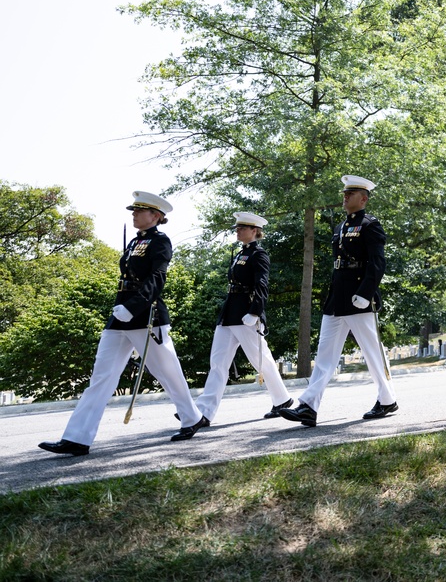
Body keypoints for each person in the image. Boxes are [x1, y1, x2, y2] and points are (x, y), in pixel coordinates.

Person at [39, 192, 208, 456]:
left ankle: (192, 418)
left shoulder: (160, 242)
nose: (133, 214)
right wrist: (123, 308)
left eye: (139, 211)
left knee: (168, 373)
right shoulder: (134, 241)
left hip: (144, 315)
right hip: (120, 316)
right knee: (101, 377)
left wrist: (133, 307)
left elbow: (157, 278)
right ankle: (77, 438)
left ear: (156, 216)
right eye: (134, 210)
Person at [280, 175, 397, 427]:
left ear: (363, 198)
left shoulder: (370, 225)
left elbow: (377, 263)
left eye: (350, 194)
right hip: (337, 299)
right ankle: (308, 407)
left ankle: (387, 399)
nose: (344, 197)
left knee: (372, 353)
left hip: (359, 299)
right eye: (344, 193)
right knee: (324, 356)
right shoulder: (341, 227)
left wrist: (365, 294)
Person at [194, 212, 292, 423]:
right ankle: (203, 412)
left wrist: (255, 312)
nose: (237, 231)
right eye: (237, 228)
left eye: (242, 228)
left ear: (255, 231)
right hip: (230, 312)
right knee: (218, 363)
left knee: (261, 360)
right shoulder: (240, 254)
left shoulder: (259, 255)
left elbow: (262, 285)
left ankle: (282, 399)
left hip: (246, 313)